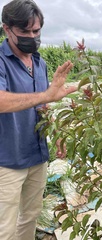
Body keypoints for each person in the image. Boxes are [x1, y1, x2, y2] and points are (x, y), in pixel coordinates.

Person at [0, 0, 77, 239]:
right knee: (5, 227)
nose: (32, 37)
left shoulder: (39, 63)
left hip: (37, 156)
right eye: (24, 31)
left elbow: (42, 106)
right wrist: (46, 94)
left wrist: (58, 133)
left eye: (36, 31)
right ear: (7, 29)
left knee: (31, 215)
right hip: (7, 160)